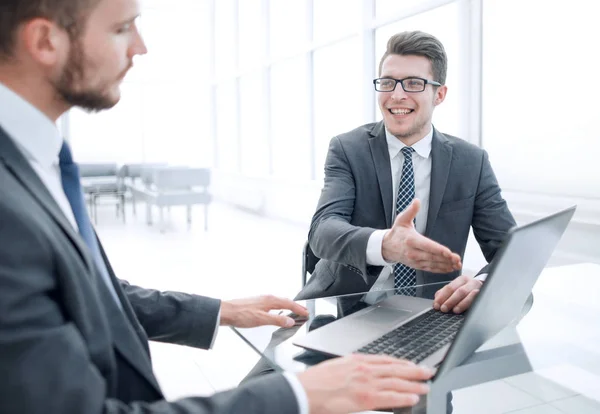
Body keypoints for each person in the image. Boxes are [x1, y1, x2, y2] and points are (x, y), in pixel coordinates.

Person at [0, 1, 434, 413]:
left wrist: (219, 311)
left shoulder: (37, 162)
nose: (140, 46)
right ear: (44, 41)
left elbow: (85, 290)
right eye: (120, 28)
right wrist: (297, 397)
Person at [296, 30, 516, 315]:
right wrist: (386, 245)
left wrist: (485, 283)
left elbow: (509, 250)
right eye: (388, 82)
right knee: (269, 362)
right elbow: (323, 230)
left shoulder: (471, 161)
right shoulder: (348, 149)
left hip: (434, 310)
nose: (397, 95)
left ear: (440, 94)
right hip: (350, 307)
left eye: (413, 83)